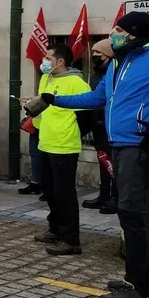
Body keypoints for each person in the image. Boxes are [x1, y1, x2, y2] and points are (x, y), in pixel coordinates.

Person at [46, 12, 149, 298]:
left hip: (146, 145)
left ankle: (137, 290)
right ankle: (146, 283)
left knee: (131, 212)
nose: (113, 34)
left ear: (135, 33)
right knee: (139, 214)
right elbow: (98, 98)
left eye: (119, 30)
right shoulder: (119, 62)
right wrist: (56, 100)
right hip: (123, 146)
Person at [26, 43, 91, 256]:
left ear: (60, 61)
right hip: (44, 141)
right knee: (50, 192)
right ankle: (55, 229)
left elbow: (88, 116)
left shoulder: (77, 82)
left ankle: (71, 239)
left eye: (47, 57)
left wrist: (69, 131)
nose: (43, 61)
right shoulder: (47, 78)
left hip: (64, 145)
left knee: (65, 194)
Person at [82, 39, 119, 214]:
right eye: (94, 52)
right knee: (103, 160)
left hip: (110, 123)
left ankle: (116, 198)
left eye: (99, 53)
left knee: (114, 163)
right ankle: (104, 195)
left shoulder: (114, 71)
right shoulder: (97, 73)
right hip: (97, 123)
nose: (95, 55)